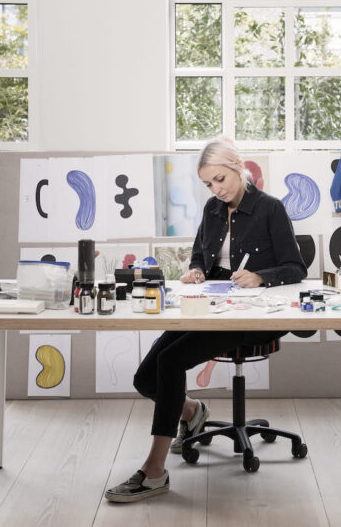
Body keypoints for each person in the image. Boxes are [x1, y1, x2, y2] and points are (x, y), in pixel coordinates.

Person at [105, 138, 307, 503]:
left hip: (255, 315)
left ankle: (154, 472)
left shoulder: (270, 209)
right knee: (144, 377)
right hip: (212, 304)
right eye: (209, 184)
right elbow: (200, 254)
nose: (217, 189)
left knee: (170, 362)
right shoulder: (212, 210)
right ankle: (192, 410)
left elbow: (296, 268)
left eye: (220, 179)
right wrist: (196, 271)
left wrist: (261, 277)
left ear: (237, 166)